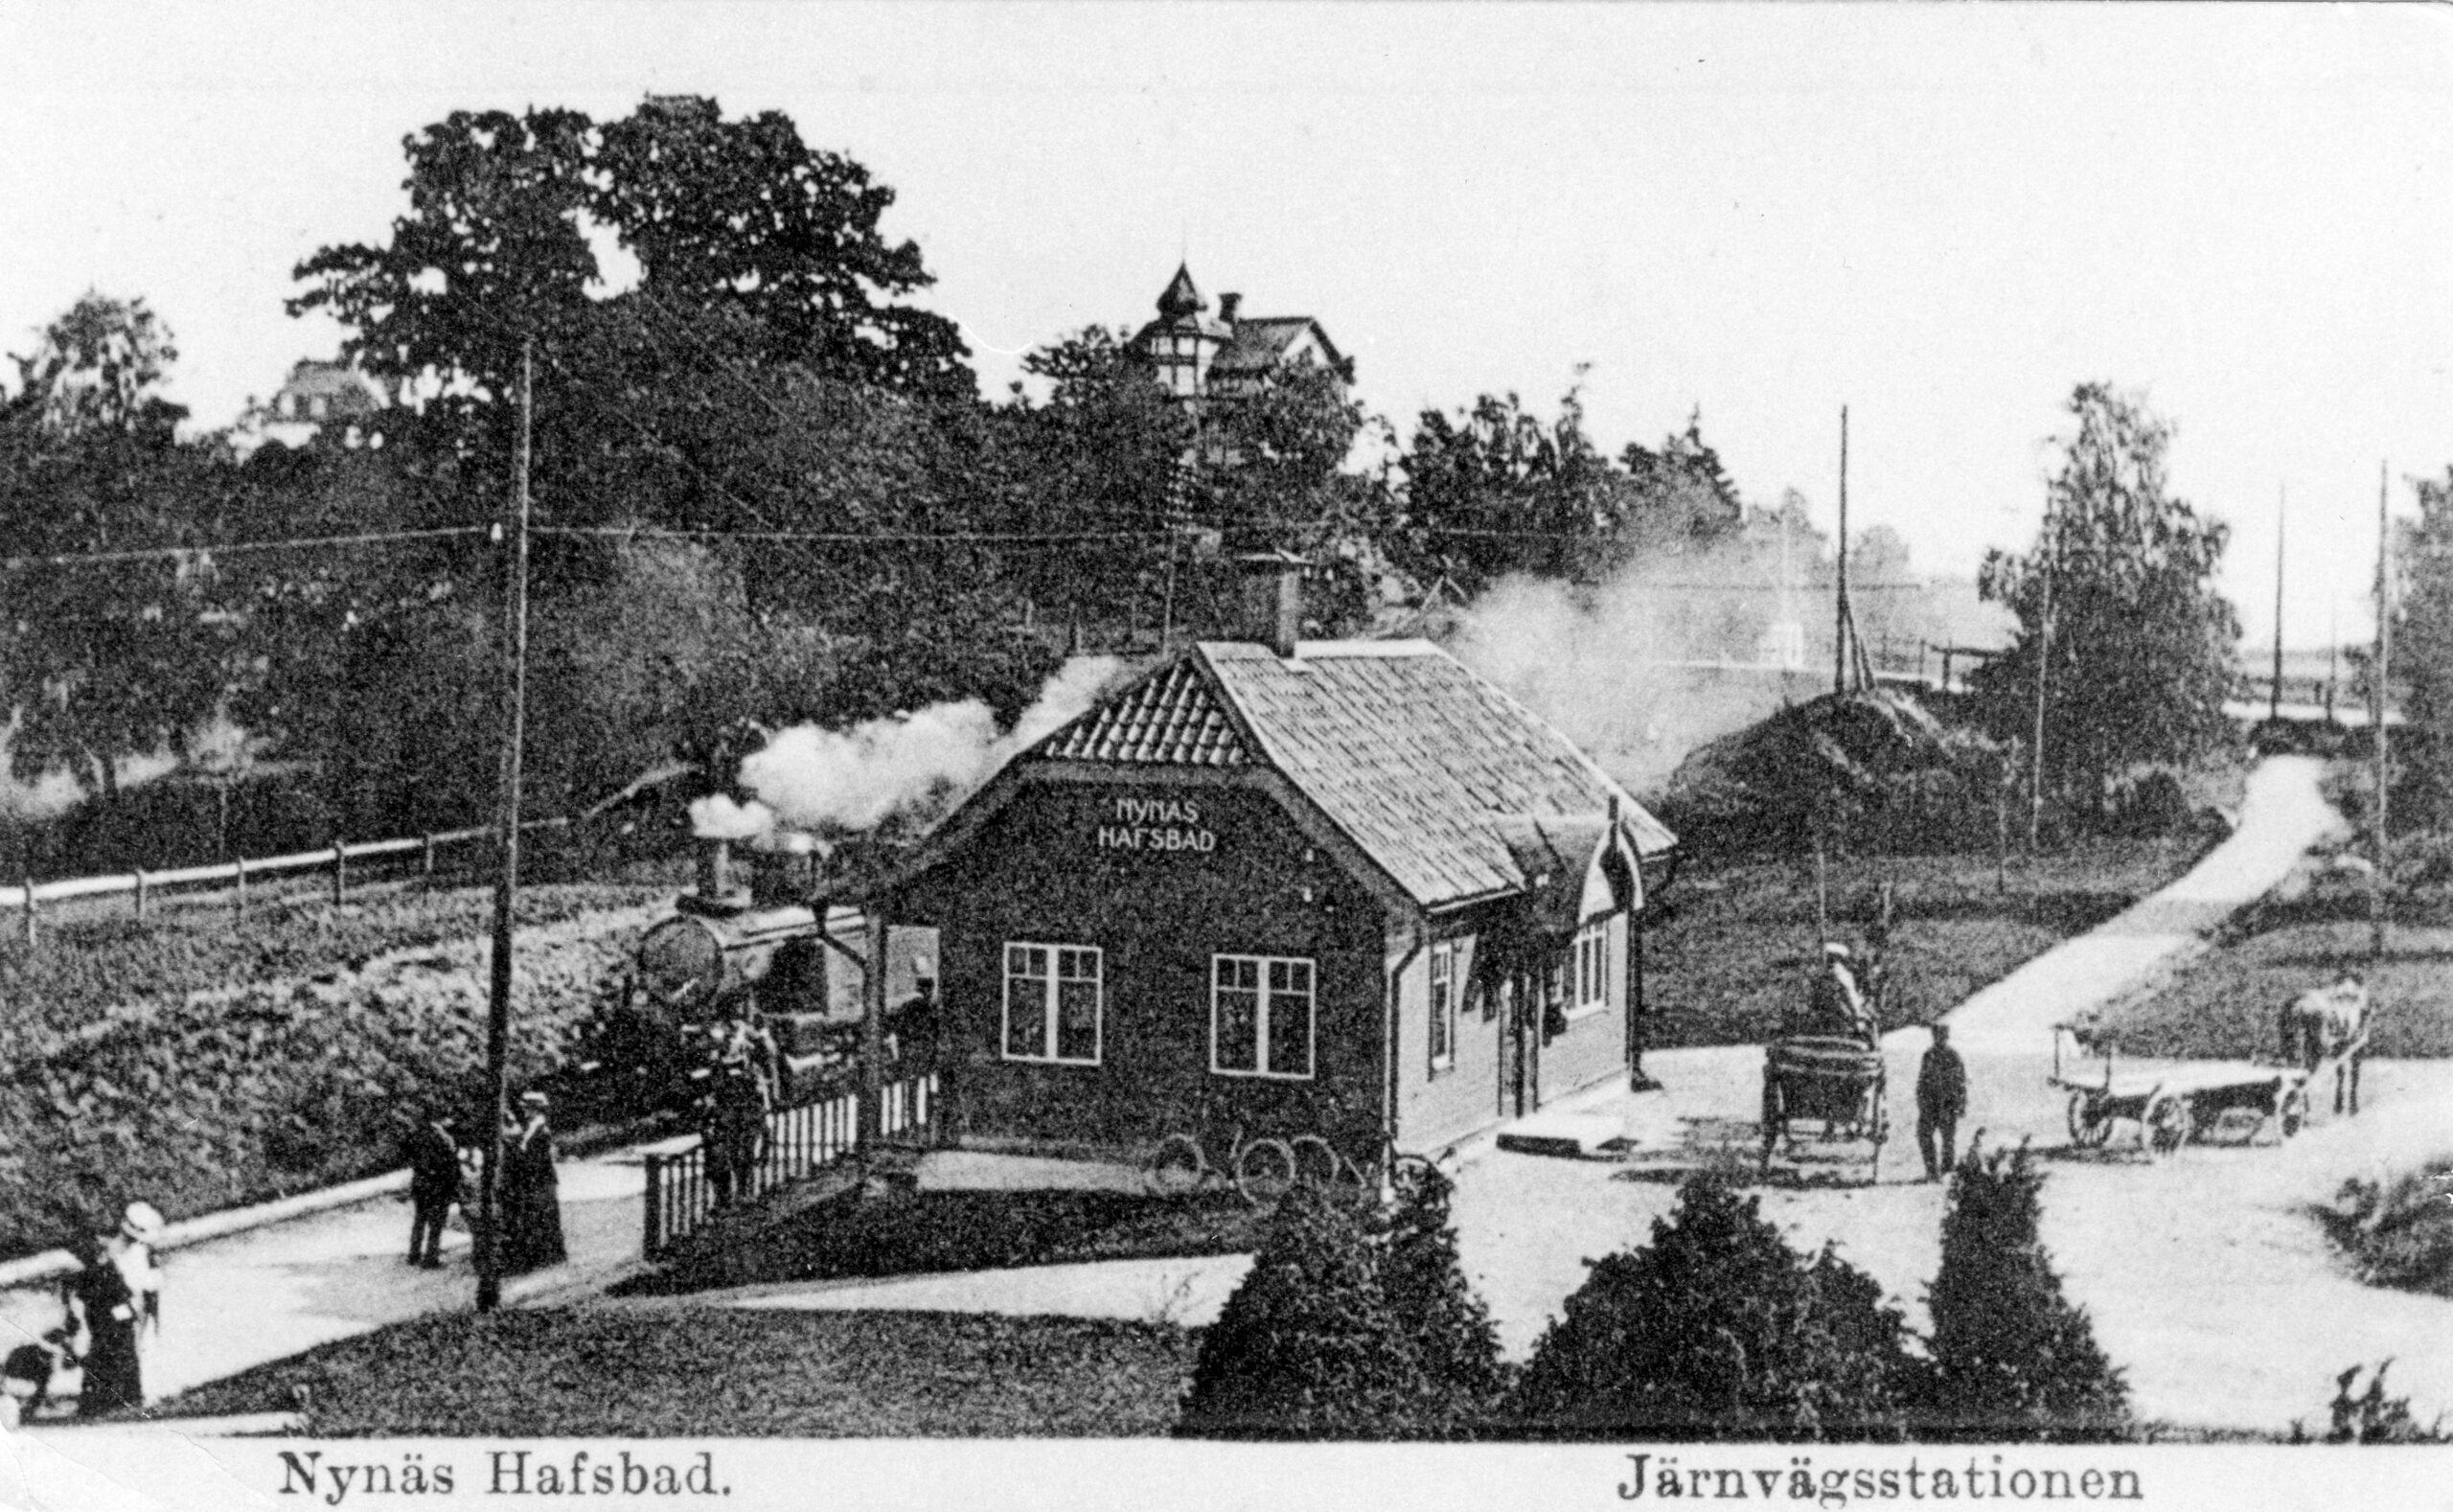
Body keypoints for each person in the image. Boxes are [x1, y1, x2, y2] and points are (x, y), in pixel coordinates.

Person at [61, 1228, 142, 1417]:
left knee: (108, 1358)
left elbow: (119, 1296)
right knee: (118, 1358)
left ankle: (102, 1403)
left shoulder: (94, 1274)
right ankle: (123, 1399)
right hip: (109, 1321)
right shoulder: (96, 1272)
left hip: (110, 1322)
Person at [500, 1091, 567, 1274]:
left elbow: (536, 1159)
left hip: (542, 1180)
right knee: (537, 1217)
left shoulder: (540, 1130)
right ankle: (544, 1255)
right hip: (536, 1180)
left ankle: (552, 1255)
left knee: (546, 1216)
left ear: (535, 1109)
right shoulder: (531, 1127)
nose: (525, 1111)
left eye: (528, 1108)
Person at [402, 1111, 463, 1269]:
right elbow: (450, 1163)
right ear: (440, 1120)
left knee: (419, 1220)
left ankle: (413, 1254)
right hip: (438, 1185)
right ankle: (431, 1257)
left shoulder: (416, 1134)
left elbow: (407, 1155)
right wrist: (455, 1184)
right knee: (436, 1223)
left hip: (420, 1183)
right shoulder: (444, 1138)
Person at [1917, 1022, 1969, 1181]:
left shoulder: (1953, 1056)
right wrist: (1921, 1101)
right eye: (1936, 1035)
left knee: (1948, 1139)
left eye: (1941, 1035)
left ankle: (1946, 1170)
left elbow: (1961, 1081)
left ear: (1946, 1036)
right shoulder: (1928, 1055)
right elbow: (1922, 1080)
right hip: (1930, 1103)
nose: (1938, 1038)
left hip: (1948, 1103)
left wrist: (1961, 1104)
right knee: (1924, 1135)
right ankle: (1931, 1170)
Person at [1796, 942, 1875, 1044]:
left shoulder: (1831, 975)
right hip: (1841, 1018)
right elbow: (1847, 997)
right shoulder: (1838, 975)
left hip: (1835, 1016)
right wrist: (1857, 1015)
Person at [2, 1342, 55, 1430]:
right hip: (16, 1381)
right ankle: (23, 1415)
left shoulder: (46, 1366)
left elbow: (44, 1382)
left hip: (25, 1383)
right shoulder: (25, 1356)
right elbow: (11, 1372)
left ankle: (27, 1414)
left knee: (37, 1394)